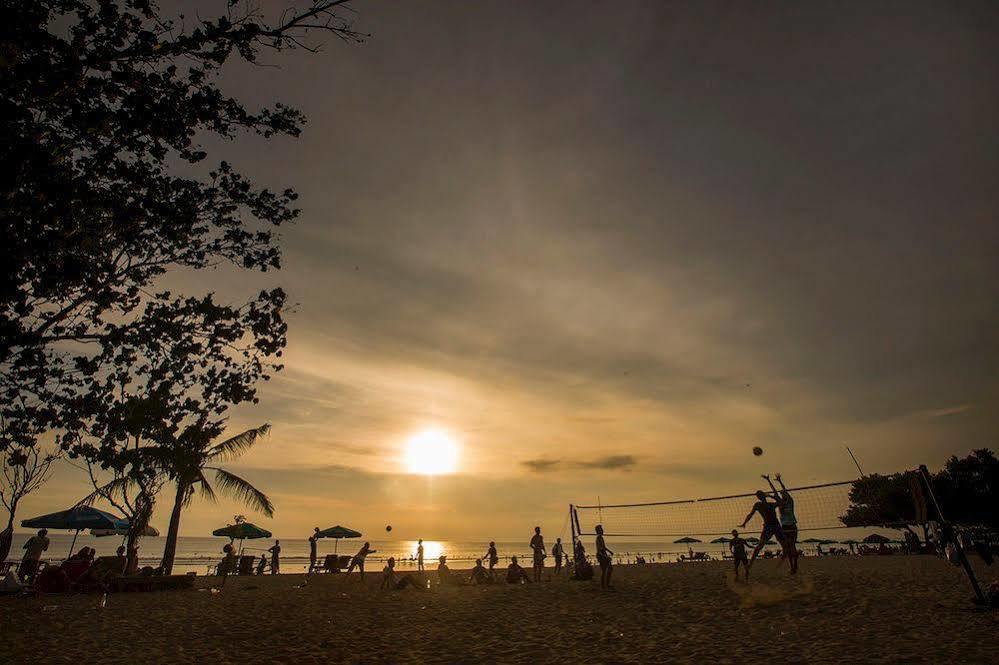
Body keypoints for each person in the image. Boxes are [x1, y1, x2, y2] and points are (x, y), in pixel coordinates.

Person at [740, 489, 784, 569]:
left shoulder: (770, 505)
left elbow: (781, 502)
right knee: (759, 546)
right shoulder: (759, 505)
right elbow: (750, 514)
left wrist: (770, 496)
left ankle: (780, 564)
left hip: (775, 526)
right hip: (769, 526)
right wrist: (744, 523)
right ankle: (750, 565)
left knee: (783, 545)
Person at [765, 473, 799, 573]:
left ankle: (793, 566)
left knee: (789, 547)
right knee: (791, 547)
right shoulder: (788, 501)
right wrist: (774, 481)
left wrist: (772, 481)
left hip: (786, 527)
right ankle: (794, 566)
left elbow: (777, 492)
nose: (782, 494)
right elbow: (778, 492)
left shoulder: (785, 502)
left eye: (782, 493)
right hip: (790, 526)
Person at [595, 524, 614, 589]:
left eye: (602, 529)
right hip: (601, 555)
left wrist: (609, 551)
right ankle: (604, 585)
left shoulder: (601, 538)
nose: (603, 531)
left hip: (603, 554)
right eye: (601, 529)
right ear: (598, 531)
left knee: (609, 569)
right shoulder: (598, 539)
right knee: (604, 570)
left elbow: (604, 547)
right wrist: (605, 556)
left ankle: (606, 584)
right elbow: (599, 550)